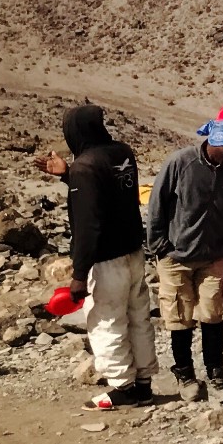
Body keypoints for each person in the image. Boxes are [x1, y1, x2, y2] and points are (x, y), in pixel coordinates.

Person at [36, 105, 155, 409]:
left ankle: (122, 387)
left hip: (106, 260)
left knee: (107, 321)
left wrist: (79, 274)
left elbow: (89, 224)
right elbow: (109, 195)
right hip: (133, 252)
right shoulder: (122, 152)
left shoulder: (85, 166)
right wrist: (68, 176)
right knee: (137, 317)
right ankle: (143, 384)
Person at [145, 115, 223, 400]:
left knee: (213, 314)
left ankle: (216, 376)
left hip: (214, 255)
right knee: (179, 317)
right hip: (176, 255)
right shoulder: (180, 162)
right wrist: (160, 246)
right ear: (214, 144)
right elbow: (157, 204)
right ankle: (185, 375)